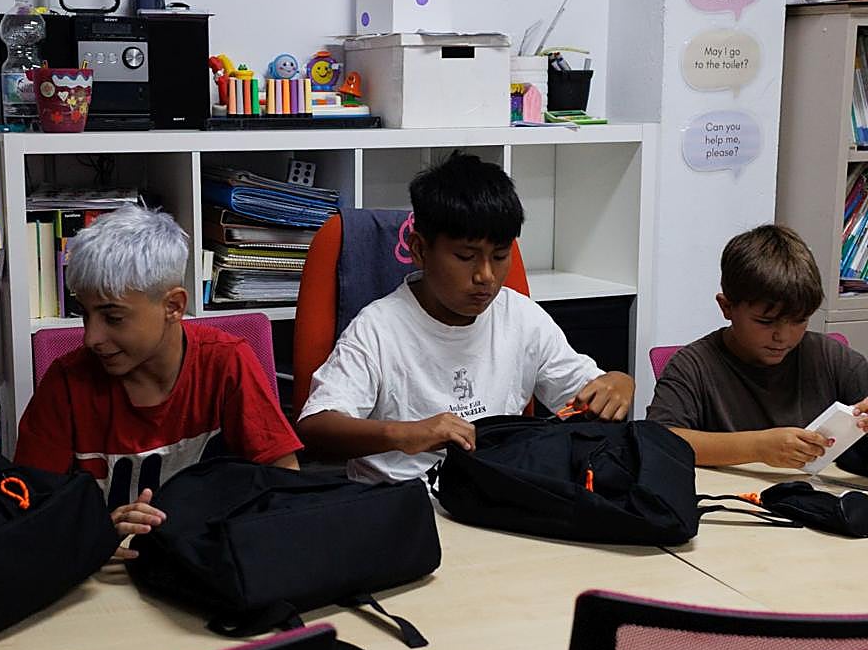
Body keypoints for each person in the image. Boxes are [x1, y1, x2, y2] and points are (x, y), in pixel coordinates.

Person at [297, 152, 634, 484]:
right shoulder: (379, 328)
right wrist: (404, 434)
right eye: (465, 256)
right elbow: (316, 428)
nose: (485, 276)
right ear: (419, 250)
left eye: (500, 256)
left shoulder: (521, 317)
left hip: (496, 497)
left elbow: (586, 396)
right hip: (402, 502)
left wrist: (618, 384)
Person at [14, 206, 302, 556]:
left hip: (208, 566)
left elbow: (285, 482)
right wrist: (96, 534)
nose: (91, 337)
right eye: (85, 313)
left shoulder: (226, 362)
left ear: (174, 306)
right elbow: (27, 513)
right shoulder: (66, 383)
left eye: (113, 317)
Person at [647, 224, 868, 468]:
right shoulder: (693, 366)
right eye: (765, 321)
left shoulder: (830, 357)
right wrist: (757, 447)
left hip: (821, 499)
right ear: (726, 307)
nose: (783, 336)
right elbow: (658, 441)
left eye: (799, 320)